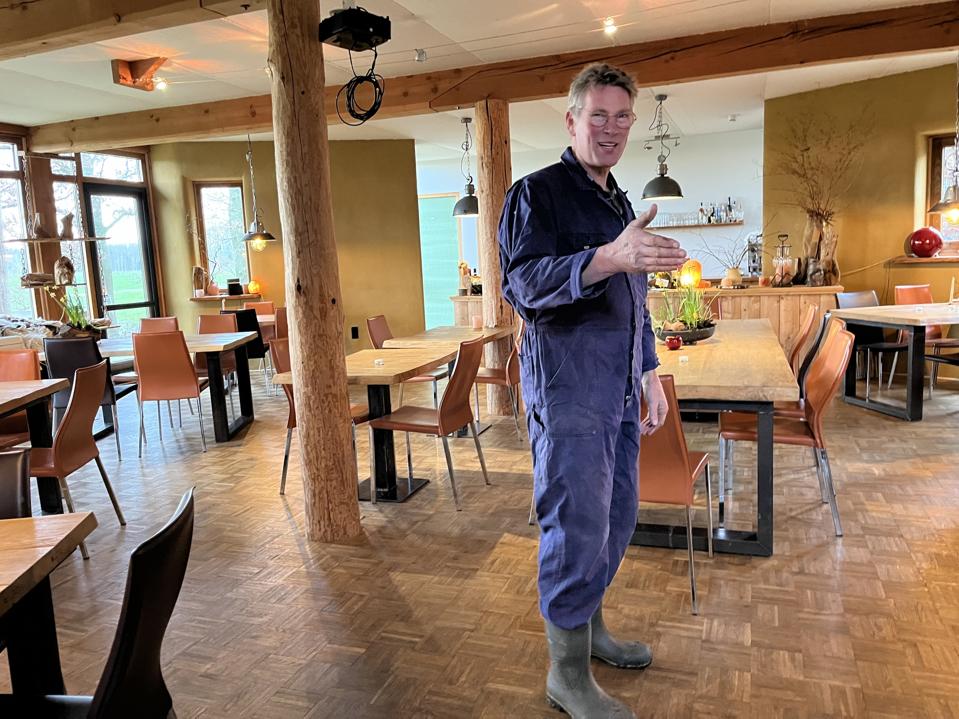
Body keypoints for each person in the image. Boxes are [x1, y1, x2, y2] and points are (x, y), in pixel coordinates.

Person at [498, 63, 687, 718]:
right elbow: (522, 287)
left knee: (614, 516)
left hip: (617, 388)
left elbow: (631, 302)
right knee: (575, 523)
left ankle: (591, 627)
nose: (609, 128)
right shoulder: (535, 195)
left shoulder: (617, 202)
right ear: (571, 119)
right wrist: (607, 257)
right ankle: (565, 673)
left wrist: (648, 372)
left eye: (621, 116)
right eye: (597, 115)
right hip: (567, 390)